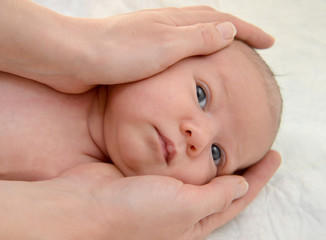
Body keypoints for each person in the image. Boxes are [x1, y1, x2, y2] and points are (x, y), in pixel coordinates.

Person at [0, 0, 281, 239]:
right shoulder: (40, 53)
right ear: (167, 51)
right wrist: (80, 43)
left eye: (217, 155)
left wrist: (97, 211)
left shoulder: (75, 190)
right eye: (201, 95)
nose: (200, 138)